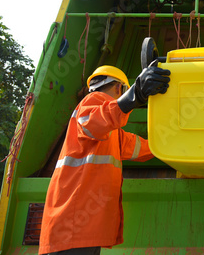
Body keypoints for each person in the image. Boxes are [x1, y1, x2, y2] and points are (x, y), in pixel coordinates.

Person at [39, 64, 171, 255]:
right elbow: (96, 121)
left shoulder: (111, 134)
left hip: (76, 228)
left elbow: (139, 147)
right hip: (73, 226)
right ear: (120, 89)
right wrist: (136, 96)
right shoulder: (92, 101)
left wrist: (173, 143)